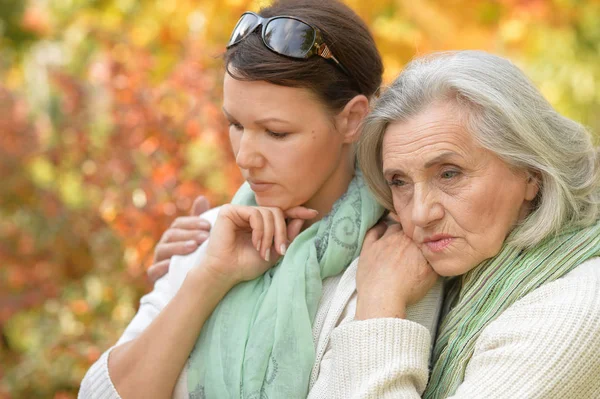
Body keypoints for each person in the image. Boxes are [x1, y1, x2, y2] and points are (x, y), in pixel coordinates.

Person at [78, 1, 443, 398]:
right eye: (235, 124)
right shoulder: (209, 235)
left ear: (352, 119)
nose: (244, 157)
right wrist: (208, 278)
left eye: (276, 132)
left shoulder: (399, 261)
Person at [337, 50, 599, 398]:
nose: (418, 214)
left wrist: (379, 308)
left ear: (531, 174)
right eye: (399, 182)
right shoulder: (450, 274)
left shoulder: (573, 310)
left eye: (449, 174)